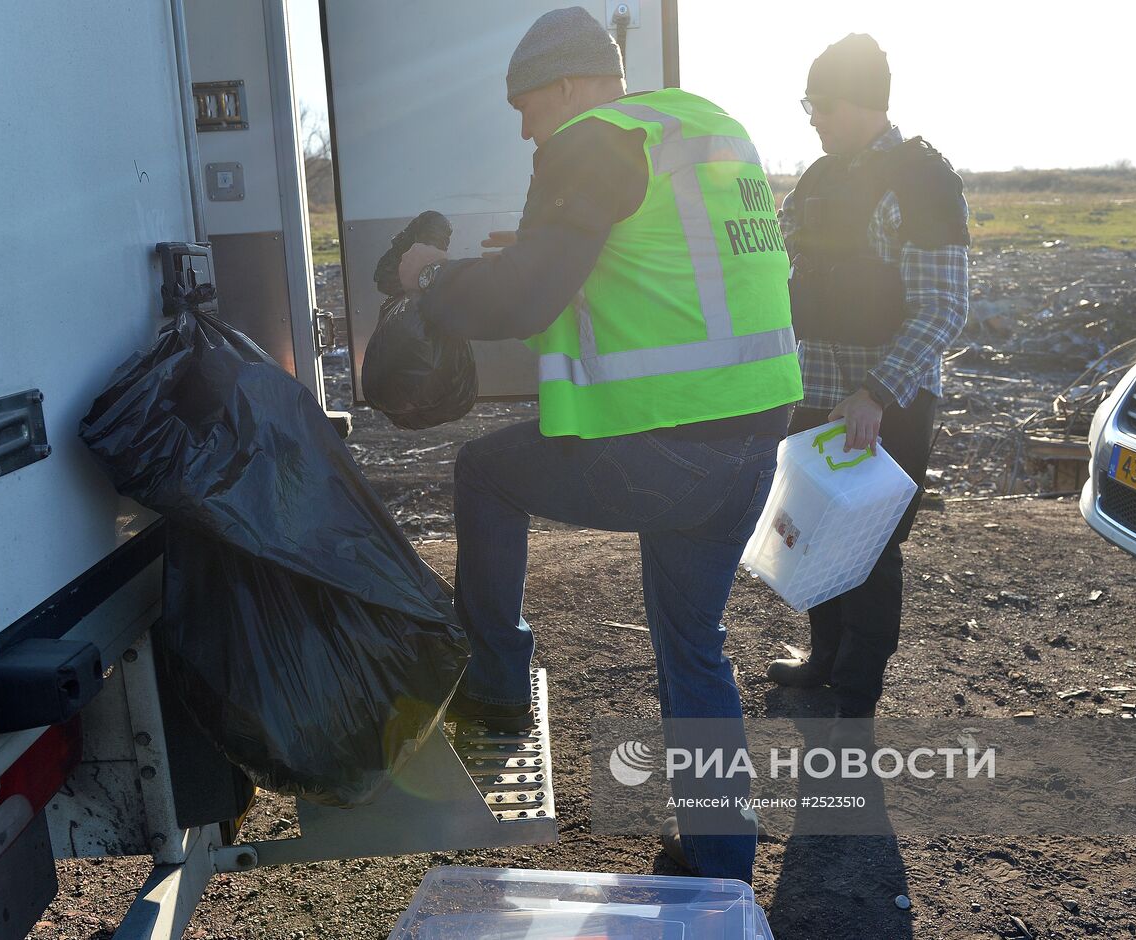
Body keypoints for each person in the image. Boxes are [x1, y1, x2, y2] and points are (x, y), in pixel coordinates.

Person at [396, 7, 802, 884]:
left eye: (526, 104)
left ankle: (498, 681)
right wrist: (534, 252)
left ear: (572, 86)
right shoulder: (702, 125)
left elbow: (522, 303)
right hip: (751, 441)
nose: (523, 125)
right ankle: (722, 866)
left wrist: (430, 279)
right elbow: (663, 260)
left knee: (486, 473)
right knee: (695, 649)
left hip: (671, 452)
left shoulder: (590, 140)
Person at [765, 34, 969, 721]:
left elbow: (946, 306)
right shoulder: (820, 179)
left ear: (857, 104)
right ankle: (822, 659)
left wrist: (875, 392)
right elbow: (773, 258)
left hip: (888, 399)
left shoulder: (922, 179)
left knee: (871, 544)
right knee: (813, 529)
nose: (812, 119)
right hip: (817, 388)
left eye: (818, 105)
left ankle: (855, 692)